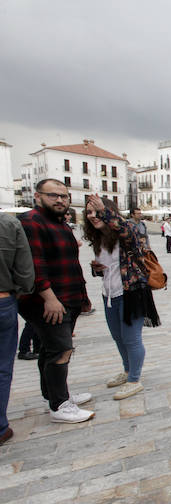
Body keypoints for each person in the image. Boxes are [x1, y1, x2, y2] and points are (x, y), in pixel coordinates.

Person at [17, 179, 94, 423]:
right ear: (38, 196)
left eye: (64, 196)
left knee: (51, 350)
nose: (60, 200)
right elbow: (34, 263)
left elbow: (70, 263)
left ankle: (53, 394)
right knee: (61, 349)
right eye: (53, 195)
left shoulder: (60, 223)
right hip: (49, 301)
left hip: (67, 296)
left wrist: (82, 296)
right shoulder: (32, 221)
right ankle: (60, 405)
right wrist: (48, 298)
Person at [83, 195, 160, 400]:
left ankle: (134, 379)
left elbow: (128, 232)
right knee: (118, 337)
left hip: (131, 292)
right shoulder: (99, 239)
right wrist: (97, 269)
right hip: (109, 294)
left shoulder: (127, 233)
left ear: (109, 213)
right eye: (89, 212)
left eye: (97, 211)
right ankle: (127, 371)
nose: (93, 216)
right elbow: (109, 269)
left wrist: (106, 213)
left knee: (131, 338)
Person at [0, 211, 35, 445]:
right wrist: (22, 292)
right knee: (2, 367)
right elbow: (24, 269)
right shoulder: (8, 223)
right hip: (3, 299)